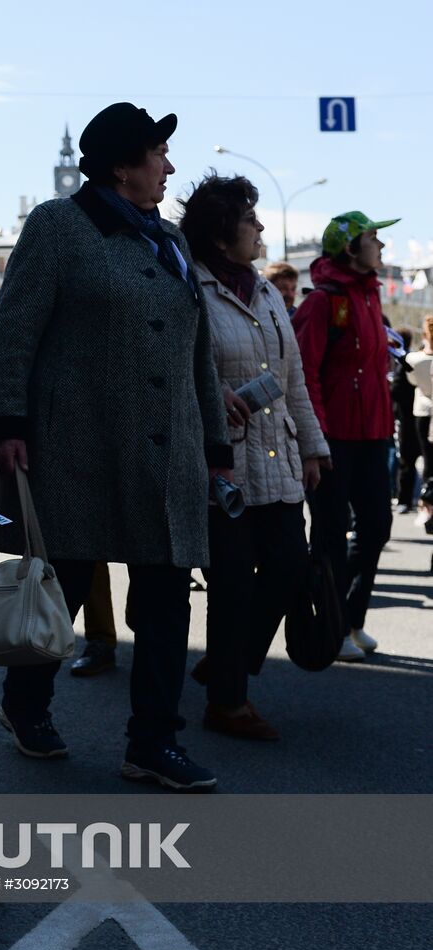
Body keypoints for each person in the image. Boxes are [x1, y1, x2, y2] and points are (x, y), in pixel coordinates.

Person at [0, 102, 232, 792]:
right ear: (122, 167)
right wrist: (8, 423)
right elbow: (14, 330)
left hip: (169, 453)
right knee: (59, 589)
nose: (169, 166)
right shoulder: (58, 226)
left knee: (167, 599)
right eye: (158, 154)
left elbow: (198, 353)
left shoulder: (170, 240)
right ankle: (24, 703)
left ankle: (152, 742)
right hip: (75, 446)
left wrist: (215, 445)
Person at [178, 174, 330, 739]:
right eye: (249, 219)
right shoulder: (188, 288)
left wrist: (313, 448)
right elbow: (174, 369)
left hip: (280, 457)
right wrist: (211, 392)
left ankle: (228, 660)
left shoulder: (266, 291)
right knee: (232, 584)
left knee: (291, 566)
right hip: (225, 466)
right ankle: (228, 704)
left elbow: (293, 383)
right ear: (221, 235)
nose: (261, 226)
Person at [292, 211, 399, 662]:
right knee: (331, 535)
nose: (382, 246)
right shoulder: (322, 302)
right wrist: (315, 438)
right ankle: (331, 629)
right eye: (374, 238)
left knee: (376, 528)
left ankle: (351, 619)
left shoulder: (371, 294)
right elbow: (303, 375)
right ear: (351, 248)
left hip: (374, 434)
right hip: (333, 439)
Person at [391, 327, 422, 512]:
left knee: (406, 460)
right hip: (418, 416)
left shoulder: (404, 362)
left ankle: (404, 499)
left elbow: (396, 390)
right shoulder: (413, 360)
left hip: (407, 417)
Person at [405, 316, 433, 486]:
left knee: (427, 456)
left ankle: (427, 491)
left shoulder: (413, 359)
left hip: (422, 409)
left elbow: (412, 381)